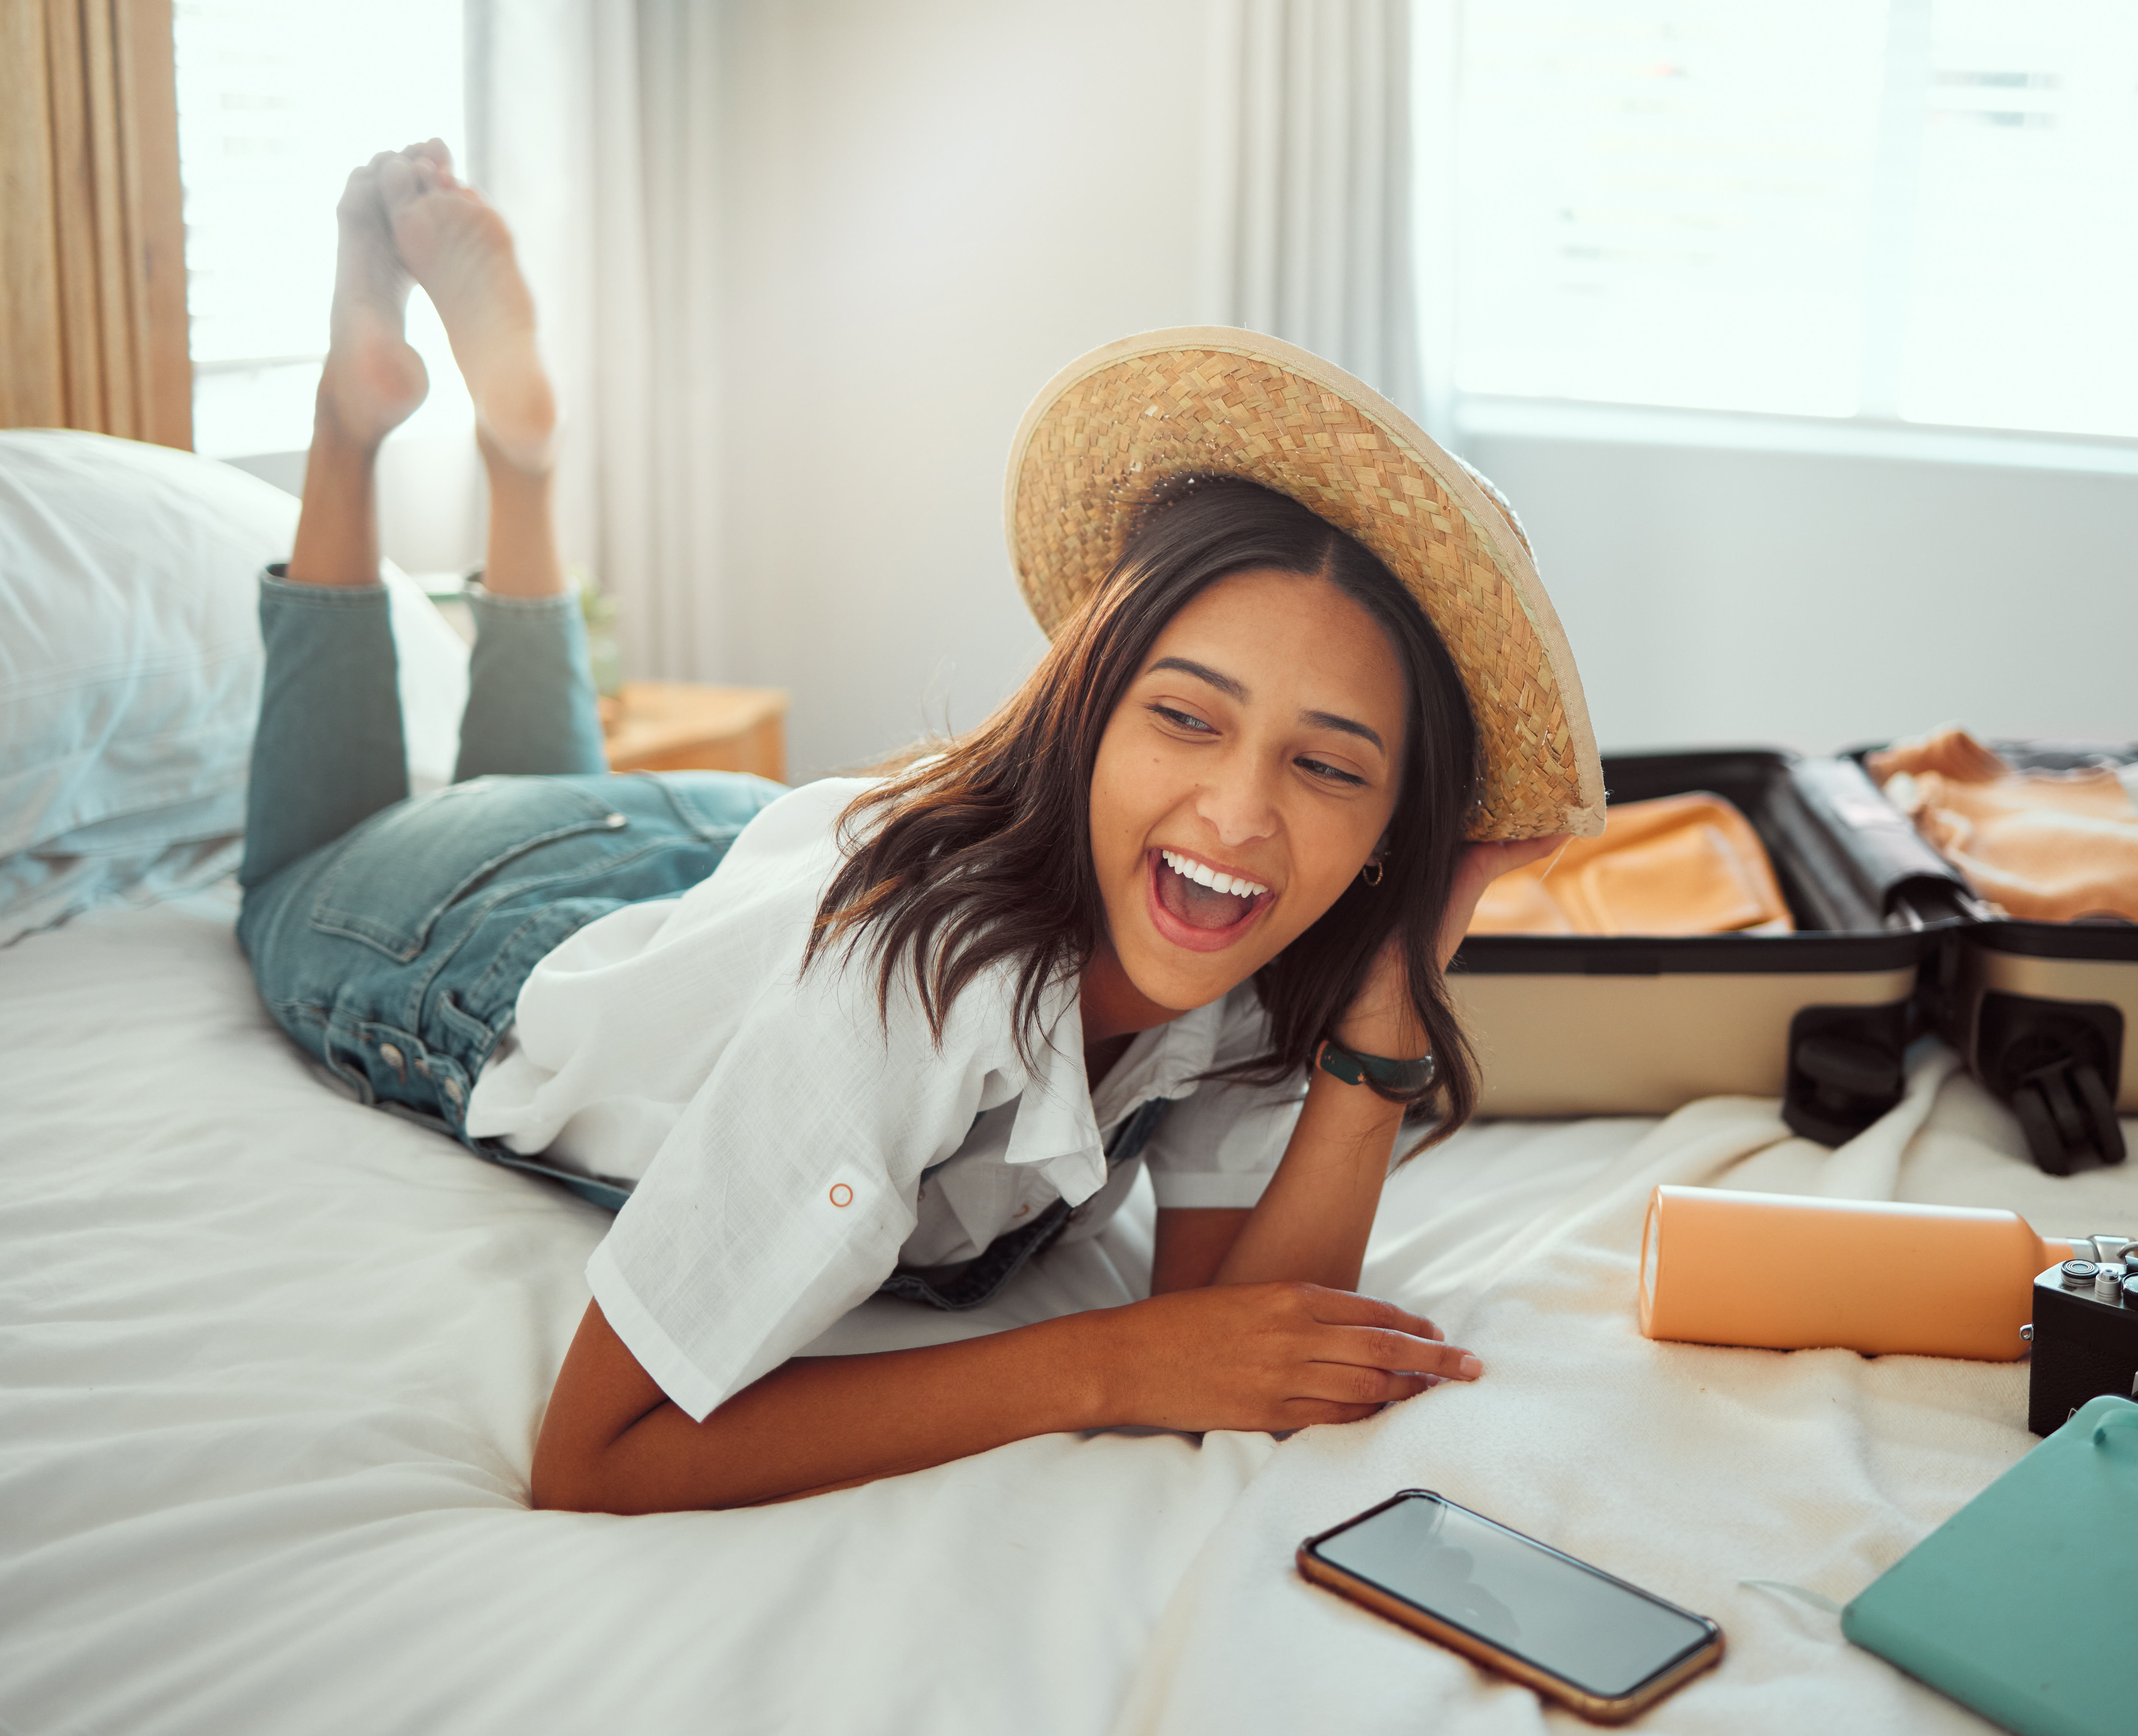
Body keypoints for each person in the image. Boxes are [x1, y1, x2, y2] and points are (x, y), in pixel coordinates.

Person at [239, 143, 1605, 1515]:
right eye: (1187, 718)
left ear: (1388, 827)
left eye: (1326, 766)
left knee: (534, 787)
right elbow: (592, 1455)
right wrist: (1099, 1366)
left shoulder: (1252, 938)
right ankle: (355, 432)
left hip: (719, 857)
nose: (1242, 815)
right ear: (1085, 705)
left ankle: (520, 471)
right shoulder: (919, 986)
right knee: (300, 871)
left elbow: (1245, 1336)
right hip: (481, 928)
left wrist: (1401, 969)